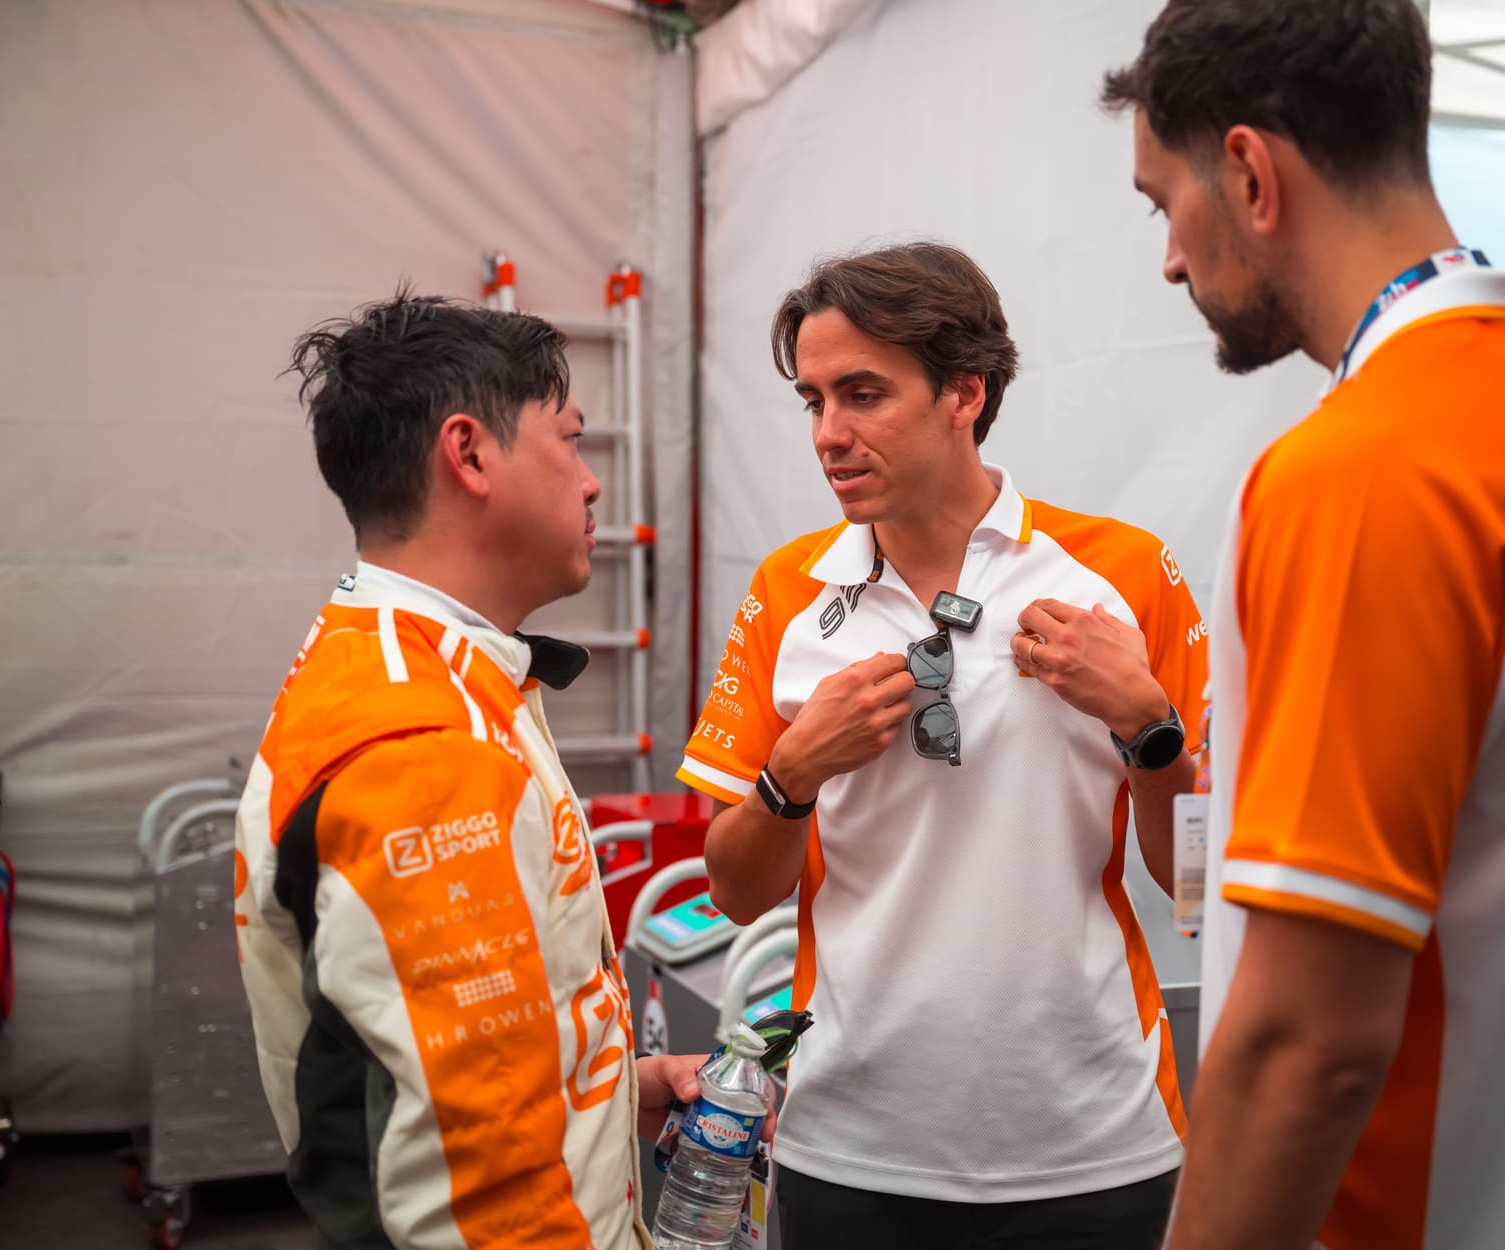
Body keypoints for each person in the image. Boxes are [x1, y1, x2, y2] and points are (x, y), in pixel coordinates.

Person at [1102, 4, 1505, 1248]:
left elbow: (1308, 1043)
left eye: (1161, 202)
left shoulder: (1369, 469)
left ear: (1250, 174)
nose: (1170, 259)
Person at [675, 241, 1208, 1250]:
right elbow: (737, 893)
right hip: (849, 1141)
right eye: (813, 401)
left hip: (1094, 1136)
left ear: (966, 390)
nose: (829, 434)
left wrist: (1150, 727)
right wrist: (790, 776)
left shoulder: (1123, 573)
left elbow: (1196, 882)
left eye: (863, 394)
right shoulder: (788, 590)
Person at [234, 292, 735, 1250]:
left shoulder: (412, 668)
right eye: (570, 441)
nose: (591, 482)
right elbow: (482, 1200)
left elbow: (442, 1068)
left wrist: (607, 1091)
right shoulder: (425, 748)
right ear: (468, 454)